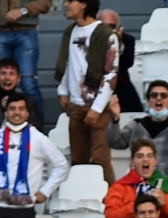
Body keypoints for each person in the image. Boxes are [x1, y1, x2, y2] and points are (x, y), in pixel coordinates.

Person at [0, 93, 67, 218]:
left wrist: (44, 192)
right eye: (13, 109)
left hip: (21, 211)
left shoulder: (38, 138)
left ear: (27, 112)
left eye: (21, 109)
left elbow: (61, 165)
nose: (17, 113)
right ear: (6, 111)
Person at [55, 0, 119, 185]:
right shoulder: (70, 32)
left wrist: (97, 108)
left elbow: (111, 74)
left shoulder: (106, 34)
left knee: (101, 159)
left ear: (84, 4)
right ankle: (80, 198)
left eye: (70, 1)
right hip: (75, 106)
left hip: (97, 108)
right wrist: (63, 91)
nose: (65, 5)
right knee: (78, 159)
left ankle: (112, 201)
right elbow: (68, 64)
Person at [107, 80, 168, 185]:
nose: (158, 98)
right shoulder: (136, 124)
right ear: (148, 101)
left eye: (164, 96)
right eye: (154, 95)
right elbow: (114, 142)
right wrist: (115, 120)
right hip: (139, 188)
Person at [0, 0, 48, 124]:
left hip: (26, 31)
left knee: (28, 83)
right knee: (1, 83)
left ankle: (37, 133)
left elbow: (46, 2)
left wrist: (23, 11)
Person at [97, 9, 140, 113]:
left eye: (112, 27)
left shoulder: (127, 39)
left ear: (118, 28)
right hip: (96, 88)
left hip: (120, 87)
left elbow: (128, 63)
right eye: (104, 26)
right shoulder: (90, 40)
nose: (108, 31)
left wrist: (119, 45)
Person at [0, 57, 43, 130]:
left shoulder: (29, 102)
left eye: (12, 73)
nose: (7, 77)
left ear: (18, 78)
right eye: (3, 73)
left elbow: (36, 129)